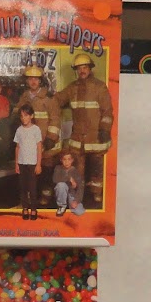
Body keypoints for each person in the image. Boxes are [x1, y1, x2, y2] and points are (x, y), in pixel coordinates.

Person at [63, 50, 114, 210]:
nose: (82, 70)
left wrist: (104, 129)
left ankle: (96, 193)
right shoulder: (72, 88)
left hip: (96, 137)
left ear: (90, 68)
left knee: (97, 168)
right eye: (79, 68)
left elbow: (107, 111)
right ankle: (79, 195)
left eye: (85, 67)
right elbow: (57, 100)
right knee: (77, 170)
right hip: (78, 139)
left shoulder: (100, 87)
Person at [12, 103, 44, 219]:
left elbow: (39, 147)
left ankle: (34, 209)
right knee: (23, 188)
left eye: (26, 115)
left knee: (32, 188)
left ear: (31, 116)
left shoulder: (36, 129)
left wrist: (38, 164)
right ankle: (25, 208)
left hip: (32, 163)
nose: (23, 118)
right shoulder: (19, 130)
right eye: (21, 116)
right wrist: (16, 164)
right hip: (22, 163)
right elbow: (17, 147)